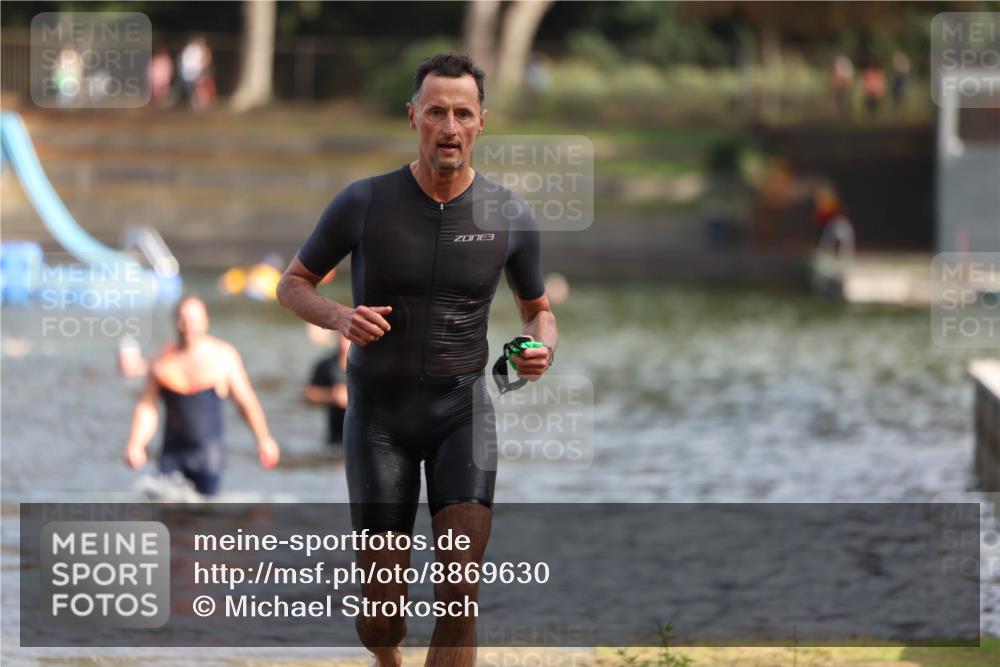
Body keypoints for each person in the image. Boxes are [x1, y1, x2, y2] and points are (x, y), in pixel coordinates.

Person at [276, 53, 557, 667]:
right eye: (436, 112)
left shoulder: (508, 215)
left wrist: (539, 350)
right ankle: (386, 656)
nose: (448, 127)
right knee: (381, 616)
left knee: (459, 592)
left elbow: (538, 312)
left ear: (482, 122)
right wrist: (339, 317)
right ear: (413, 118)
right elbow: (292, 283)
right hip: (378, 419)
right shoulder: (363, 203)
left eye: (462, 113)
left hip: (462, 414)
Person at [123, 294, 280, 496]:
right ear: (175, 321)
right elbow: (147, 407)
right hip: (172, 455)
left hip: (208, 457)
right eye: (183, 318)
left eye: (194, 319)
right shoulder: (161, 361)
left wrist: (264, 439)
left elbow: (245, 402)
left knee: (203, 518)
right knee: (163, 509)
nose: (188, 325)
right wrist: (136, 443)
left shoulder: (224, 357)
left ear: (206, 321)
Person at [303, 328, 351, 450]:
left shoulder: (367, 366)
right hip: (333, 437)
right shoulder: (326, 365)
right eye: (342, 335)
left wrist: (352, 398)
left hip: (362, 437)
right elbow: (308, 394)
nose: (344, 340)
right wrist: (331, 396)